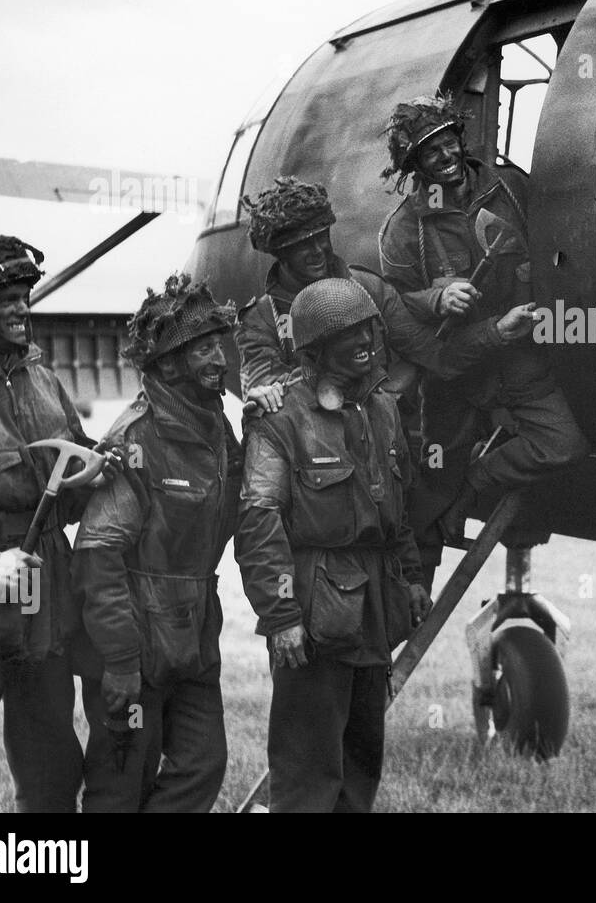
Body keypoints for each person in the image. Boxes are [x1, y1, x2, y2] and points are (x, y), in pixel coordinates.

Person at [235, 276, 431, 812]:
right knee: (307, 770)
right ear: (316, 349)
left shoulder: (383, 409)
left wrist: (412, 579)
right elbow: (258, 524)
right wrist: (281, 617)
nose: (366, 340)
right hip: (315, 615)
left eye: (369, 328)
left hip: (373, 613)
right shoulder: (279, 421)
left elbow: (397, 514)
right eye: (349, 334)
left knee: (360, 766)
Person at [377, 95, 589, 588]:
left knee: (564, 444)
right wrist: (438, 297)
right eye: (431, 153)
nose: (447, 157)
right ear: (415, 166)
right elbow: (399, 308)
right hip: (453, 373)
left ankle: (477, 482)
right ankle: (410, 592)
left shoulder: (509, 188)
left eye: (450, 143)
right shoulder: (404, 229)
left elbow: (557, 242)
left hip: (519, 357)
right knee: (430, 484)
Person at [0, 215, 110, 812]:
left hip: (44, 599)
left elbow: (76, 478)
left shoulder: (43, 381)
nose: (21, 310)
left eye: (24, 298)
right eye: (4, 300)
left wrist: (94, 475)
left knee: (51, 767)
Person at [70, 275, 241, 812]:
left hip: (193, 644)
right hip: (134, 647)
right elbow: (97, 557)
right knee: (120, 784)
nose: (221, 358)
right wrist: (121, 661)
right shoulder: (133, 440)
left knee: (202, 763)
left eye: (221, 343)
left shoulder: (220, 430)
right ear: (169, 365)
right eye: (205, 348)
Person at [236, 176, 535, 421]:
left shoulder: (368, 288)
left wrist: (496, 331)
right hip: (314, 460)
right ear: (280, 253)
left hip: (381, 448)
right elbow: (266, 393)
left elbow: (436, 355)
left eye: (321, 237)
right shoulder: (262, 320)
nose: (317, 251)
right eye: (302, 244)